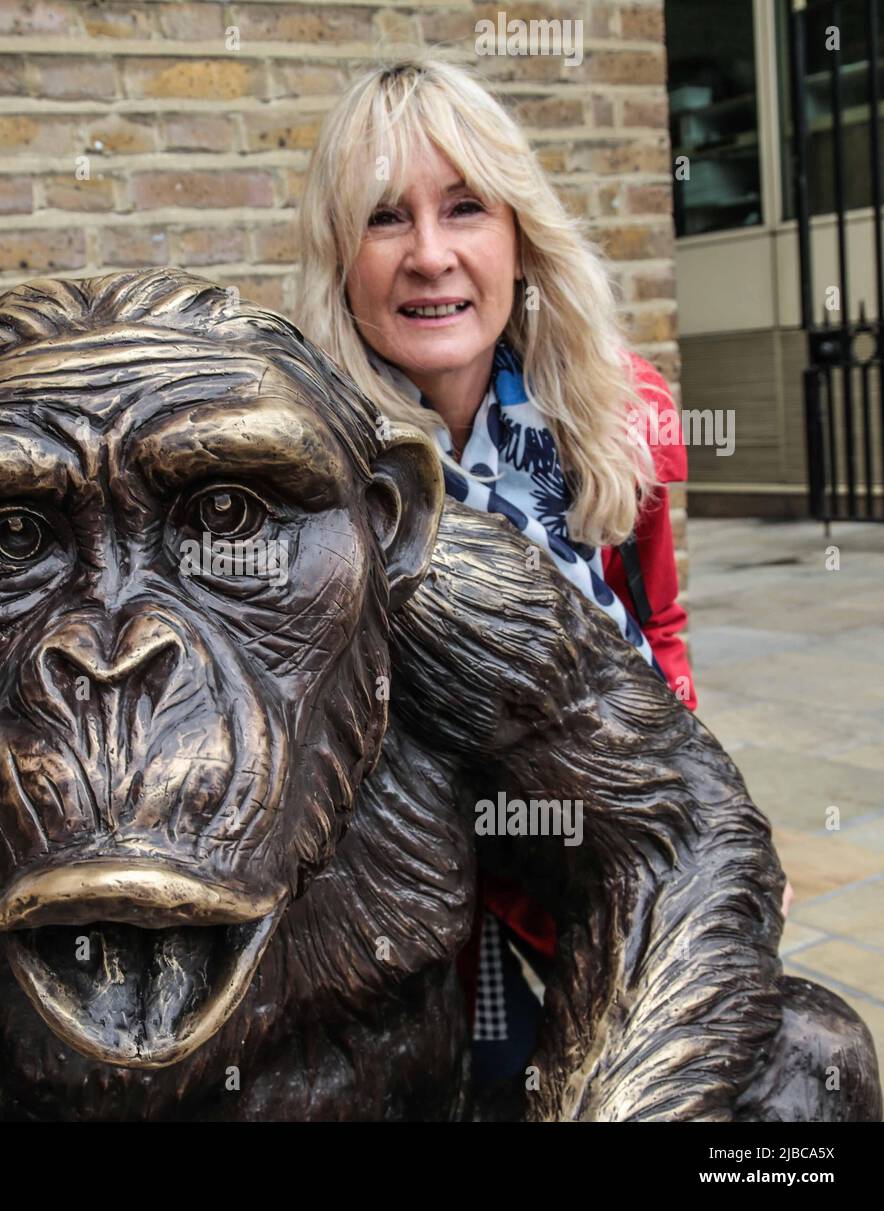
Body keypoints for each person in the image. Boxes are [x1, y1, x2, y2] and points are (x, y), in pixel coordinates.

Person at [289, 54, 789, 1088]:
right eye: (386, 218)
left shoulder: (620, 412)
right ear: (340, 260)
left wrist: (703, 816)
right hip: (425, 895)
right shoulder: (309, 461)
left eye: (464, 207)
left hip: (603, 841)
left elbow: (657, 633)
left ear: (516, 233)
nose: (430, 255)